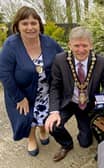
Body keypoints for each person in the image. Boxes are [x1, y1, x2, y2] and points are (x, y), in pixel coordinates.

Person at [0, 6, 63, 156]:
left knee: (45, 114)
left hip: (45, 90)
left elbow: (63, 60)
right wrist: (19, 97)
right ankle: (31, 138)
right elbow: (4, 74)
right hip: (22, 92)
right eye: (25, 23)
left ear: (39, 25)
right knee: (28, 118)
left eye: (33, 23)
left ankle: (43, 129)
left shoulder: (49, 42)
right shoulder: (11, 45)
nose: (30, 27)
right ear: (17, 26)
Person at [45, 26, 104, 162]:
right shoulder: (59, 60)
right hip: (68, 102)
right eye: (76, 45)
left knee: (85, 143)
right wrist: (54, 112)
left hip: (87, 104)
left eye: (84, 45)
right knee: (52, 126)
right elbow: (55, 87)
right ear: (69, 45)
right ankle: (66, 144)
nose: (81, 50)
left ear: (91, 45)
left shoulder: (100, 62)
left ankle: (86, 132)